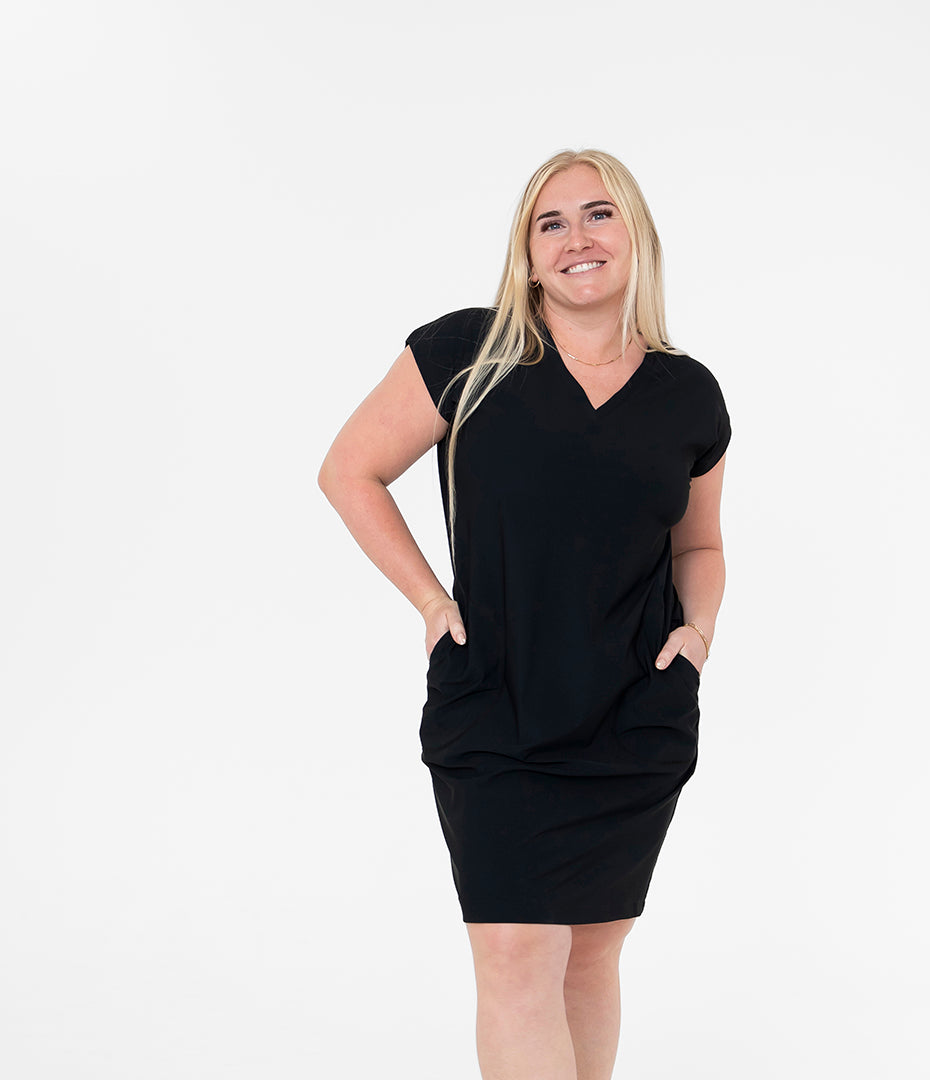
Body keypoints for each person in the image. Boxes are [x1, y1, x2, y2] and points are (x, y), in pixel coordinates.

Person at [318, 148, 731, 1080]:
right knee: (515, 954)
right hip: (495, 704)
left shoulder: (689, 394)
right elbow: (349, 471)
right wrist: (431, 601)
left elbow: (700, 547)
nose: (576, 237)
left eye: (598, 214)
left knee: (589, 957)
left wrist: (697, 635)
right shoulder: (465, 354)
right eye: (552, 223)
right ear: (528, 252)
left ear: (636, 233)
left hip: (634, 714)